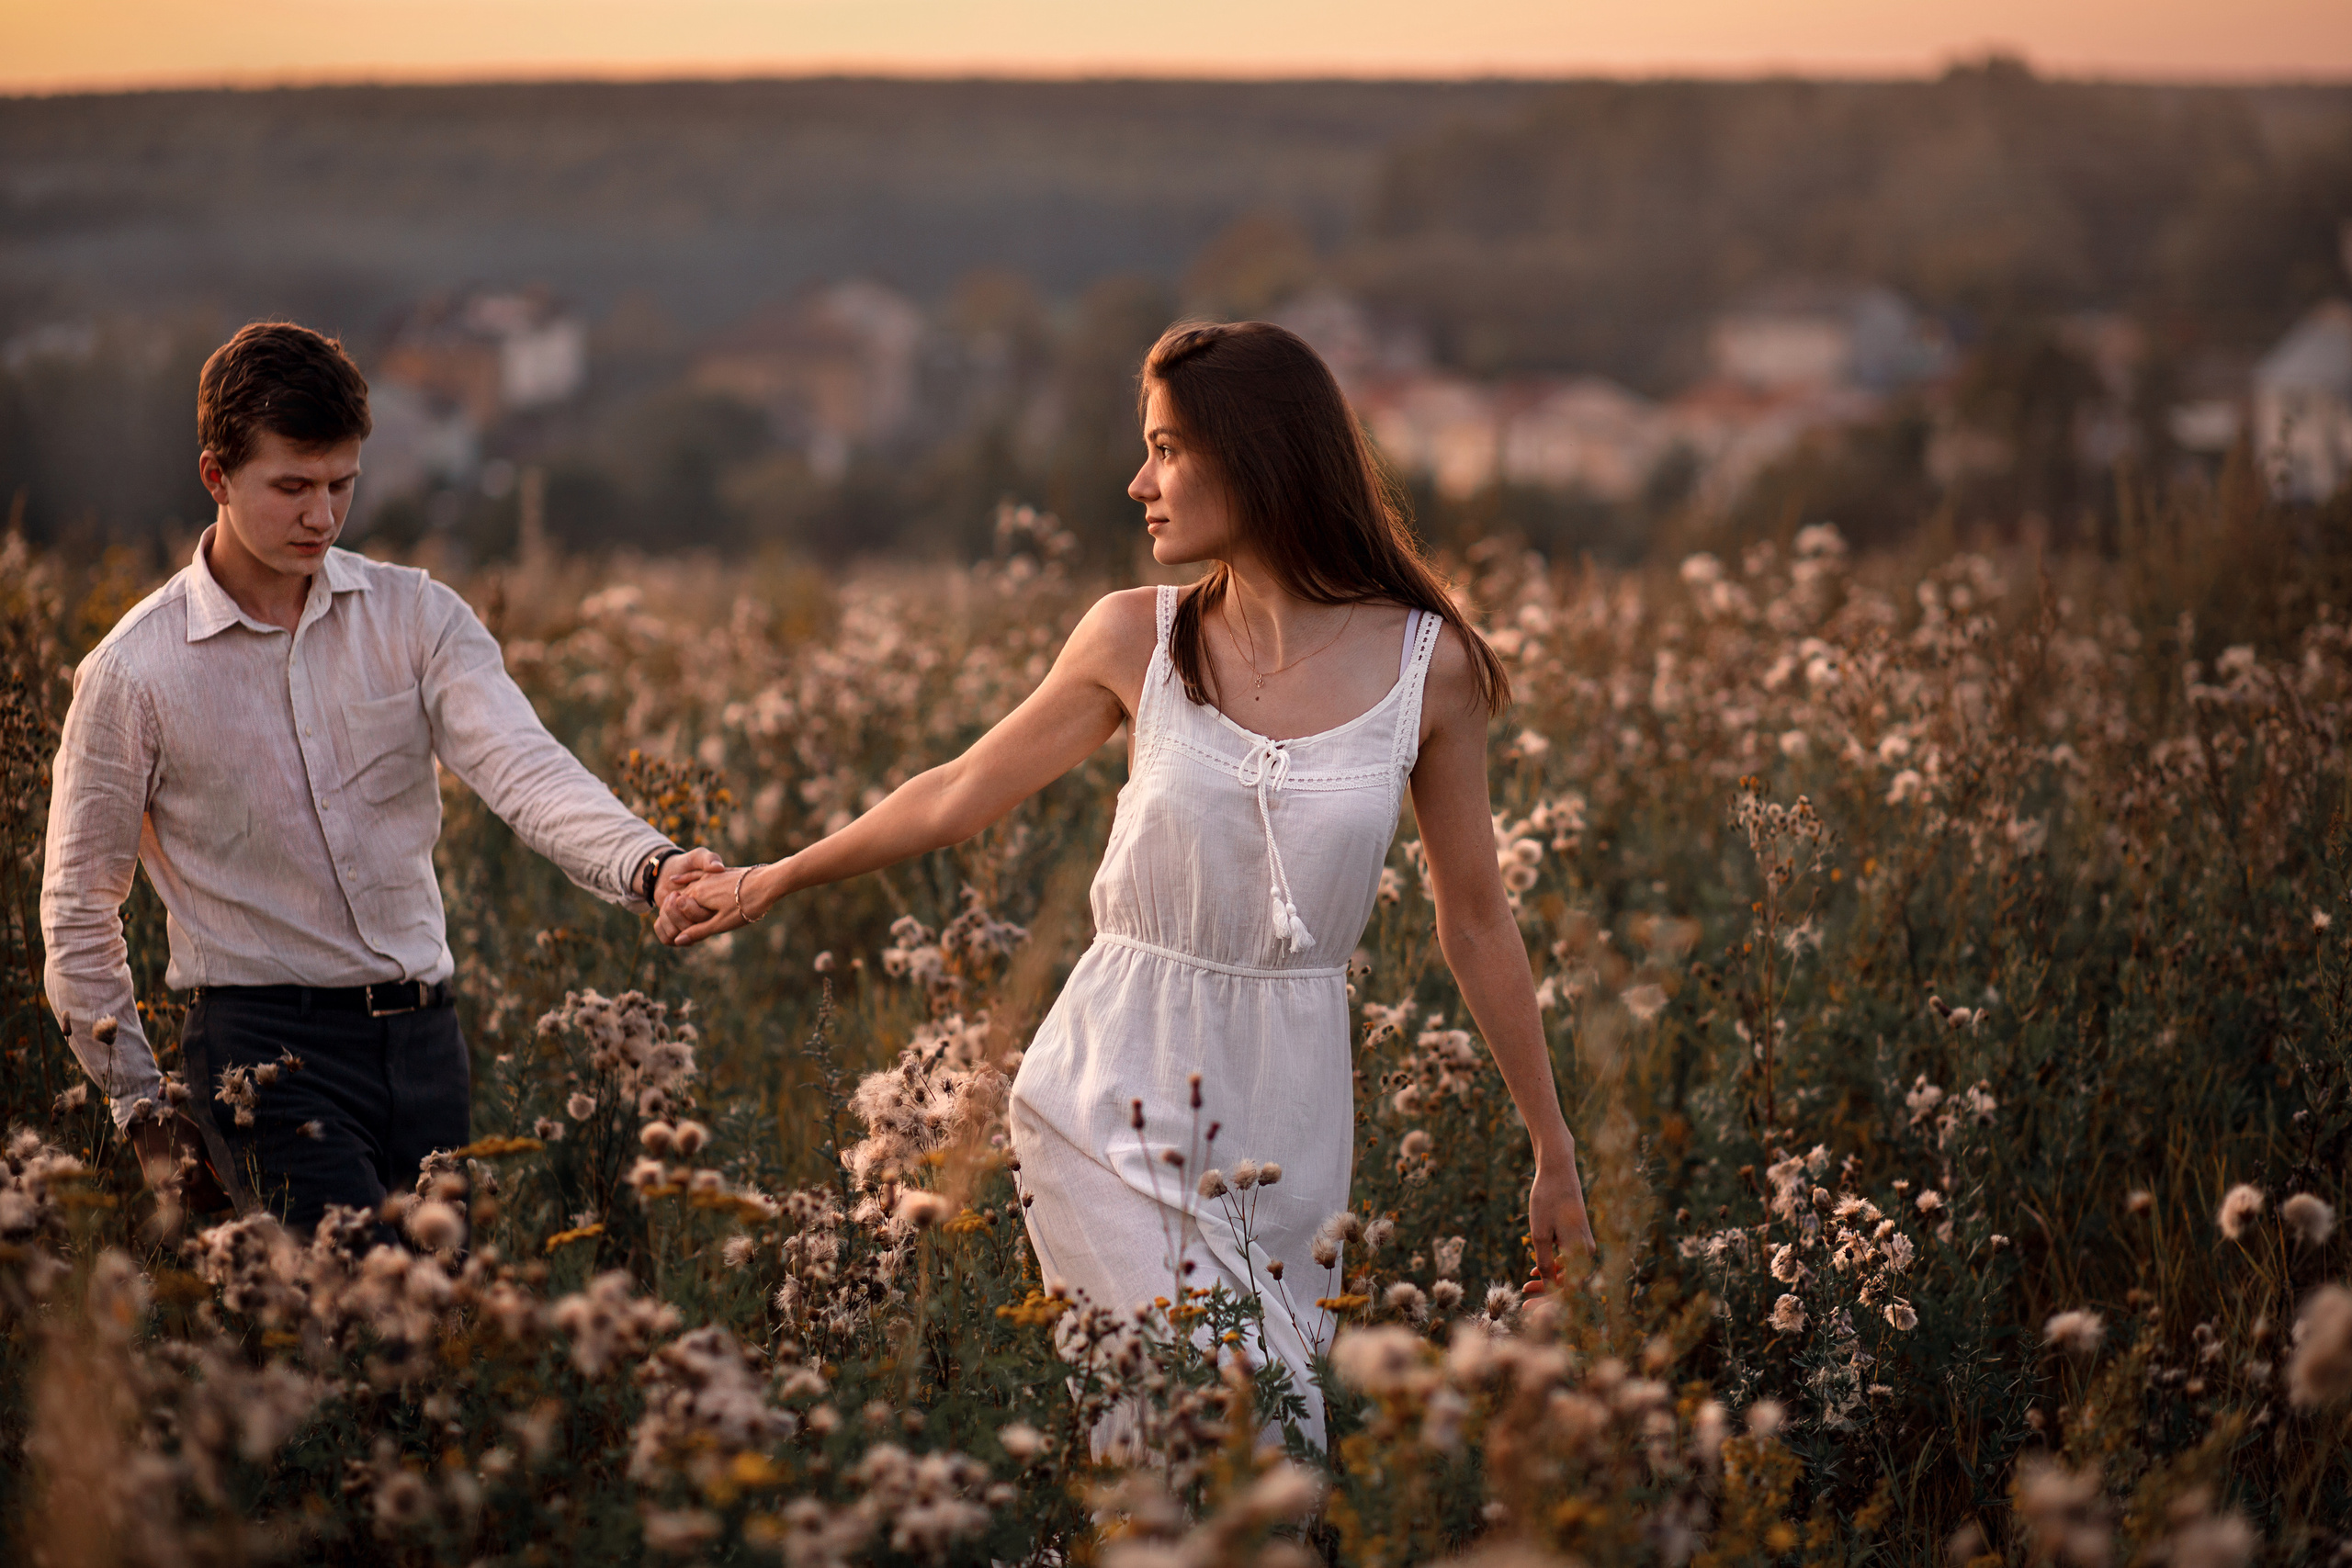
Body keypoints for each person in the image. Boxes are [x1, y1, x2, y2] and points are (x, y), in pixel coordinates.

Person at [660, 321, 1592, 1443]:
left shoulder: (1429, 669)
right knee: (1191, 1427)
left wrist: (1553, 1149)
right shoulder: (1131, 639)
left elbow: (1475, 919)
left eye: (1165, 448)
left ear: (1254, 455)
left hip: (1291, 1125)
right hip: (1104, 1098)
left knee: (1277, 1453)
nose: (1137, 481)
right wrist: (773, 879)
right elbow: (958, 792)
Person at [41, 320, 724, 1234]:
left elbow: (524, 769)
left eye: (340, 486)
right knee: (373, 1321)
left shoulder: (417, 616)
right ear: (216, 477)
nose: (321, 516)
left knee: (441, 1343)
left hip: (425, 1044)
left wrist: (651, 865)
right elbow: (80, 903)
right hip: (263, 1056)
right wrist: (139, 1106)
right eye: (291, 487)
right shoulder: (136, 671)